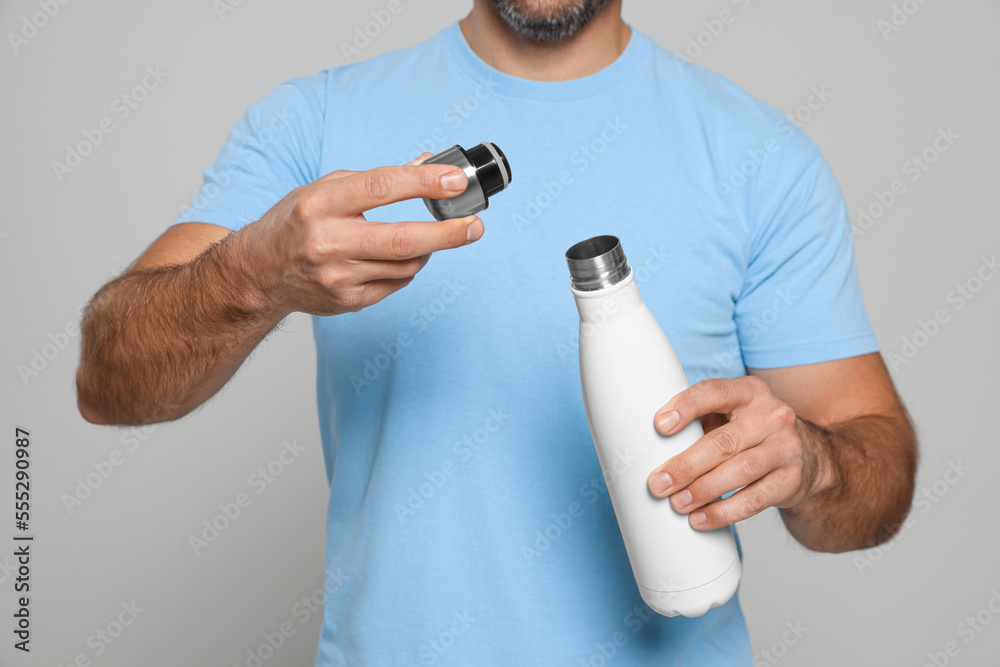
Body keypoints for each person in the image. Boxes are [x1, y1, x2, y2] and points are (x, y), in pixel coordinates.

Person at [75, 0, 917, 664]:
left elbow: (875, 488)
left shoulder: (760, 159)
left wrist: (815, 461)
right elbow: (109, 382)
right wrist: (253, 273)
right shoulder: (316, 125)